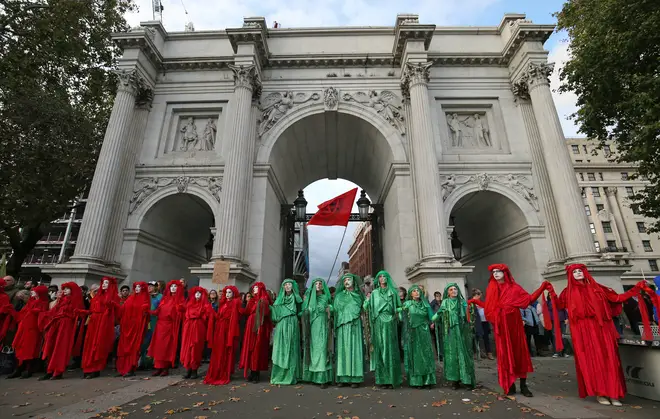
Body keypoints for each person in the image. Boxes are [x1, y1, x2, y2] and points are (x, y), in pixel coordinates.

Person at [550, 264, 651, 406]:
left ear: (585, 272)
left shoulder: (599, 288)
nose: (578, 273)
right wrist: (551, 292)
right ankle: (601, 392)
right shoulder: (568, 292)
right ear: (570, 275)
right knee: (592, 360)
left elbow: (617, 298)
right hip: (583, 331)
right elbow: (558, 305)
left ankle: (614, 393)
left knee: (609, 359)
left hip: (602, 329)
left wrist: (636, 288)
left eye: (580, 271)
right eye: (575, 272)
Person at [472, 264, 550, 397]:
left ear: (505, 273)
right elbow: (489, 307)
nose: (495, 274)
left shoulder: (515, 288)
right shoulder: (492, 289)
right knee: (505, 355)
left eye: (498, 271)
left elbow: (529, 300)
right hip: (501, 326)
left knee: (519, 353)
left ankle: (523, 385)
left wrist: (542, 288)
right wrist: (476, 302)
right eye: (494, 272)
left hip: (514, 324)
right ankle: (510, 385)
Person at [364, 270, 402, 389]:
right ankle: (382, 379)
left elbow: (398, 307)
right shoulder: (374, 293)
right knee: (379, 349)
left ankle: (392, 379)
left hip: (390, 322)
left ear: (387, 278)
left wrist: (398, 314)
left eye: (384, 276)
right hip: (378, 322)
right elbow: (367, 307)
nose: (382, 278)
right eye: (380, 276)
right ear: (378, 280)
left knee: (390, 349)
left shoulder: (393, 292)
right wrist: (366, 302)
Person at [40, 282, 85, 380]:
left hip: (66, 325)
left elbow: (78, 312)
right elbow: (53, 311)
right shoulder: (61, 300)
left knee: (60, 347)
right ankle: (50, 370)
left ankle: (57, 371)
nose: (65, 290)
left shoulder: (75, 300)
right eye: (64, 288)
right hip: (57, 324)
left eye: (67, 288)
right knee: (51, 346)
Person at [78, 277, 120, 379]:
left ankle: (95, 369)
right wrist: (83, 311)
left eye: (107, 283)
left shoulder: (113, 296)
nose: (104, 284)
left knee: (98, 345)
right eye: (103, 282)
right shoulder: (97, 296)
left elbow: (116, 310)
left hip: (103, 323)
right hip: (94, 322)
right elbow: (92, 310)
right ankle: (88, 367)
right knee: (90, 344)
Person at [434, 283, 475, 389]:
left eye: (455, 289)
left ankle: (466, 379)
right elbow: (439, 314)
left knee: (463, 353)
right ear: (448, 292)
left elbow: (469, 316)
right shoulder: (445, 302)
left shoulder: (462, 302)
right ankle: (454, 380)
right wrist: (432, 319)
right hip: (450, 332)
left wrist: (471, 310)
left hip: (462, 332)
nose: (453, 291)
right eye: (451, 289)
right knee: (452, 354)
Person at [7, 285, 49, 379]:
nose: (32, 292)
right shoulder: (31, 302)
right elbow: (21, 315)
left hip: (33, 330)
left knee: (29, 348)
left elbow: (42, 314)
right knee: (21, 347)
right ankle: (20, 368)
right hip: (24, 328)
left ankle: (28, 369)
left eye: (34, 291)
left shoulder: (42, 302)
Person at [205, 285, 241, 385]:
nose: (228, 294)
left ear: (233, 294)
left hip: (227, 330)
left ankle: (225, 371)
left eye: (230, 292)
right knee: (218, 350)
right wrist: (211, 311)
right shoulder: (223, 304)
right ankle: (218, 370)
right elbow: (218, 317)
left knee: (225, 351)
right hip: (219, 330)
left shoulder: (235, 303)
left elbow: (235, 317)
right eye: (226, 292)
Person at [148, 279, 186, 376]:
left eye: (175, 286)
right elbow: (158, 311)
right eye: (171, 286)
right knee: (158, 347)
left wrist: (179, 309)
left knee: (166, 347)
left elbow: (181, 313)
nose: (173, 288)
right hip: (160, 325)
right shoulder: (165, 299)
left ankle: (165, 367)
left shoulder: (180, 300)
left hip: (170, 326)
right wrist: (148, 311)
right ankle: (158, 367)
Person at [401, 285, 435, 388]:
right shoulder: (407, 304)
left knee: (426, 354)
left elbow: (432, 317)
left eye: (418, 290)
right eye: (414, 291)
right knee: (416, 355)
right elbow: (400, 314)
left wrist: (437, 317)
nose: (417, 292)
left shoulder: (425, 304)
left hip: (424, 332)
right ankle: (417, 381)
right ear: (410, 294)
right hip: (413, 333)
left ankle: (428, 380)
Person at [333, 273, 365, 388]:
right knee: (343, 350)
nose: (347, 281)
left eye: (349, 279)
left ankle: (355, 378)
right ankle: (342, 377)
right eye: (345, 280)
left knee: (354, 349)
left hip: (355, 325)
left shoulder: (358, 296)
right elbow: (335, 311)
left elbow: (363, 309)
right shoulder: (339, 296)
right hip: (342, 326)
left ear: (353, 282)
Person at [301, 278, 333, 388]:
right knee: (313, 349)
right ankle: (312, 376)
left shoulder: (325, 297)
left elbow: (332, 307)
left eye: (320, 283)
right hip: (312, 327)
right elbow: (303, 311)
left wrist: (329, 309)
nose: (318, 285)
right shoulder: (310, 298)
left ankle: (322, 378)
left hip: (323, 326)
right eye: (316, 284)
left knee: (322, 349)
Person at [270, 278, 302, 385]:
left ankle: (291, 375)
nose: (287, 286)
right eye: (285, 284)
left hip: (292, 323)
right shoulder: (279, 299)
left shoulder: (297, 299)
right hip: (281, 324)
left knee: (291, 347)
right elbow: (274, 315)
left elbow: (301, 311)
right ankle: (279, 375)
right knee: (281, 347)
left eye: (289, 284)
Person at [239, 282, 272, 383]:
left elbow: (265, 314)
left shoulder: (264, 300)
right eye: (254, 287)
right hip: (250, 326)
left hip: (259, 326)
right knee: (250, 348)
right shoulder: (252, 300)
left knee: (257, 349)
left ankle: (256, 372)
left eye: (256, 287)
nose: (254, 289)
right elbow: (246, 312)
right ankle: (251, 372)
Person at [116, 282, 150, 377]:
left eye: (139, 287)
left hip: (136, 328)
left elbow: (145, 316)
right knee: (123, 347)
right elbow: (122, 310)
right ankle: (122, 368)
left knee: (133, 348)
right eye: (136, 286)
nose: (137, 288)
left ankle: (130, 368)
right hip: (126, 327)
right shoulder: (130, 298)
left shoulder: (145, 299)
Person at [180, 286, 213, 379]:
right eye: (196, 293)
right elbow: (185, 314)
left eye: (199, 293)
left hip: (198, 328)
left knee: (196, 348)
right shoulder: (189, 304)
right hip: (188, 327)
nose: (197, 295)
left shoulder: (206, 305)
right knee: (187, 348)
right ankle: (188, 369)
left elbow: (208, 317)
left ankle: (194, 369)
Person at [472, 288, 493, 359]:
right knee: (476, 337)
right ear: (476, 295)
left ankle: (489, 353)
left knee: (486, 338)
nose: (480, 296)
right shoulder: (471, 303)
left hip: (485, 321)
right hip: (476, 323)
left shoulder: (482, 302)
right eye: (479, 295)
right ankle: (477, 353)